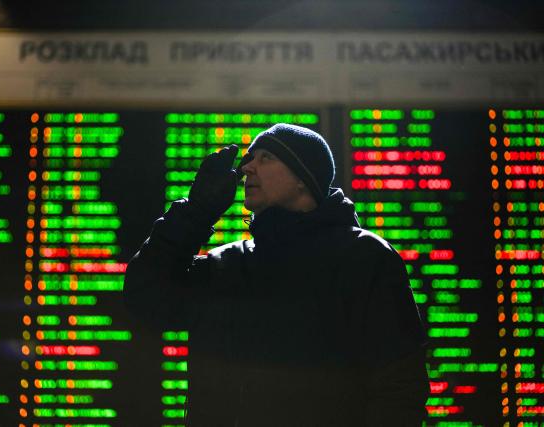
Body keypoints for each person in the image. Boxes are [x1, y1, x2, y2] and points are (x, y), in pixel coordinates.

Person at [124, 123, 429, 426]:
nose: (247, 168)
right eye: (249, 158)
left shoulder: (364, 258)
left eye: (266, 157)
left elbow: (399, 388)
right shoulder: (227, 266)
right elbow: (144, 298)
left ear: (303, 178)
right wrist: (196, 211)